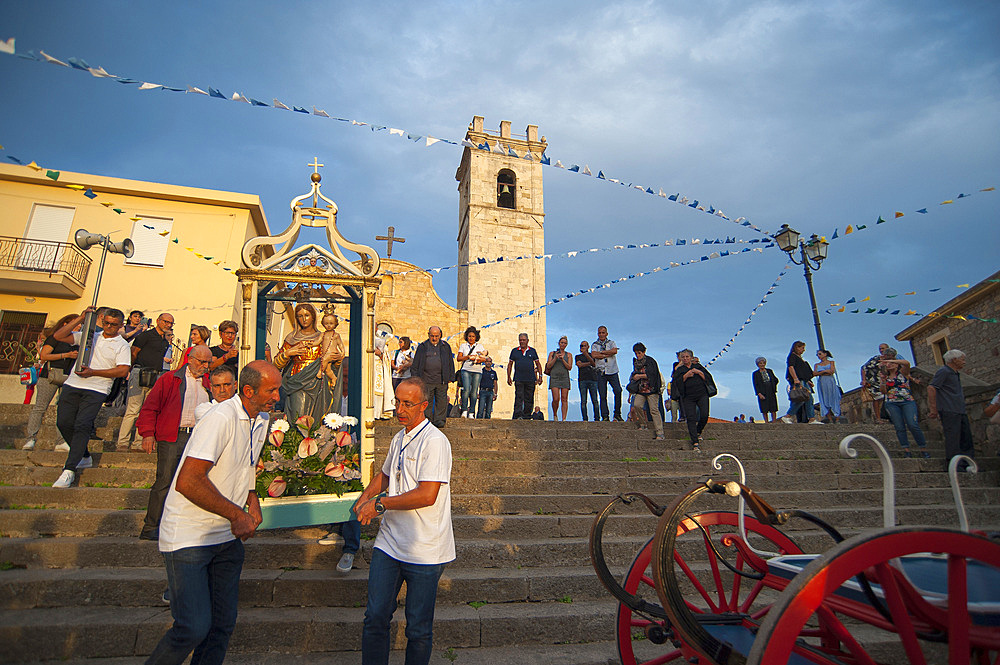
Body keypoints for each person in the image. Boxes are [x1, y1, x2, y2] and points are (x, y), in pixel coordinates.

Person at [144, 361, 278, 665]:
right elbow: (188, 481)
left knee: (221, 627)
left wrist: (252, 499)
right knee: (192, 627)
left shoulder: (260, 418)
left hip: (225, 540)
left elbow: (247, 463)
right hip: (190, 537)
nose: (277, 395)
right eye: (271, 390)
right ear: (248, 391)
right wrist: (237, 515)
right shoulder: (221, 418)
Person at [353, 377, 454, 665]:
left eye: (407, 404)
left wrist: (380, 504)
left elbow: (426, 495)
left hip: (425, 547)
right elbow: (385, 475)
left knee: (418, 628)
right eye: (397, 401)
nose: (399, 408)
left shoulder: (435, 442)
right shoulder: (399, 437)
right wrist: (363, 499)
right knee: (374, 617)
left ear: (423, 406)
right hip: (389, 542)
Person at [135, 345, 212, 541]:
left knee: (193, 483)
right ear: (191, 359)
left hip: (197, 438)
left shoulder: (209, 383)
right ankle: (151, 526)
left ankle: (183, 525)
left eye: (208, 363)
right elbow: (151, 407)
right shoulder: (170, 379)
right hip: (172, 437)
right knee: (164, 481)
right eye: (202, 362)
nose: (205, 366)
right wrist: (147, 434)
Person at [51, 308, 131, 488]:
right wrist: (81, 317)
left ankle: (69, 469)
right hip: (73, 383)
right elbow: (59, 336)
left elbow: (123, 370)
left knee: (82, 424)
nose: (109, 327)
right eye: (106, 323)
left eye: (113, 325)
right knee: (63, 422)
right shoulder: (90, 335)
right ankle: (84, 455)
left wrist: (93, 372)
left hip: (97, 388)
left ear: (120, 326)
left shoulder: (122, 345)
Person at [117, 312, 175, 451]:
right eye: (165, 321)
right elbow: (134, 352)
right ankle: (122, 442)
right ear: (158, 321)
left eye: (170, 323)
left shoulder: (164, 341)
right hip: (140, 372)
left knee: (146, 411)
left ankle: (137, 442)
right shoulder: (145, 336)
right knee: (132, 410)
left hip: (155, 376)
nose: (167, 325)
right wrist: (129, 371)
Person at [23, 314, 78, 451]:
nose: (78, 326)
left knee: (63, 410)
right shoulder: (55, 338)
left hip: (68, 376)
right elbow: (44, 356)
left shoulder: (78, 339)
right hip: (50, 375)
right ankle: (31, 438)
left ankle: (61, 441)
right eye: (75, 323)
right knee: (40, 407)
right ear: (65, 324)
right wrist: (66, 355)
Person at [273, 303, 331, 426]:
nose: (304, 319)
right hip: (297, 381)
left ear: (313, 317)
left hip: (316, 381)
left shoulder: (322, 337)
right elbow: (276, 365)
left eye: (307, 315)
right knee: (297, 415)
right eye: (300, 316)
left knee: (316, 418)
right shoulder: (292, 338)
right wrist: (288, 353)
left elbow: (330, 357)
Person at [928, 349, 975, 468]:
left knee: (966, 438)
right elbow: (932, 388)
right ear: (954, 360)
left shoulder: (954, 373)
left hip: (959, 409)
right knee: (953, 438)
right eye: (962, 359)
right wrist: (934, 409)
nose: (964, 362)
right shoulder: (944, 371)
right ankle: (954, 465)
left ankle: (968, 463)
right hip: (949, 409)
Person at [878, 348, 929, 458]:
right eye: (888, 364)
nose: (890, 365)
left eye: (892, 363)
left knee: (913, 424)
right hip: (891, 402)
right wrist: (882, 381)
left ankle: (923, 447)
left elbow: (906, 363)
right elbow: (883, 391)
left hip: (907, 401)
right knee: (899, 426)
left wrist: (891, 361)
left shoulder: (903, 373)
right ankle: (906, 449)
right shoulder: (885, 376)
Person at [410, 326, 456, 428]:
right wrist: (415, 378)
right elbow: (416, 364)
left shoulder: (445, 346)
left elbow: (450, 362)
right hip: (426, 380)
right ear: (428, 335)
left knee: (441, 402)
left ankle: (439, 421)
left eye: (436, 336)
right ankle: (427, 421)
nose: (434, 338)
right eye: (432, 336)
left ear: (440, 335)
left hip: (442, 380)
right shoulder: (423, 346)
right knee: (427, 402)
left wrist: (451, 376)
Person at [670, 349, 714, 452]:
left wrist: (698, 372)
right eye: (683, 357)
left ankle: (698, 431)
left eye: (687, 357)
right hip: (688, 397)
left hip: (702, 394)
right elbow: (676, 383)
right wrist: (686, 375)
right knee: (691, 418)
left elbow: (708, 378)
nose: (685, 359)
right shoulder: (679, 370)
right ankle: (695, 442)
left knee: (704, 415)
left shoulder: (698, 366)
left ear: (691, 357)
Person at [628, 342, 664, 440]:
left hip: (652, 389)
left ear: (644, 352)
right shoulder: (636, 363)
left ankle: (659, 432)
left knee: (654, 410)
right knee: (637, 405)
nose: (638, 355)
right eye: (636, 353)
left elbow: (652, 375)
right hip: (641, 389)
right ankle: (643, 424)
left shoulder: (650, 361)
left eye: (639, 353)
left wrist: (639, 376)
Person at [780, 341, 821, 424]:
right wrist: (795, 379)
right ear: (797, 347)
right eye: (802, 348)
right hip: (799, 381)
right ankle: (788, 415)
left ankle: (811, 418)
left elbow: (803, 372)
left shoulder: (801, 359)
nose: (803, 350)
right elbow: (791, 367)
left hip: (804, 380)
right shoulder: (792, 356)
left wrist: (808, 381)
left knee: (809, 399)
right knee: (801, 399)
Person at [506, 333, 543, 420]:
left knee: (529, 397)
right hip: (519, 378)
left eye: (523, 340)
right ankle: (518, 415)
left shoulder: (532, 351)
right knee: (519, 397)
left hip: (530, 379)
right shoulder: (514, 351)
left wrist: (540, 376)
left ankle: (527, 415)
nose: (522, 342)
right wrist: (508, 376)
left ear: (527, 341)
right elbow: (510, 364)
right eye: (520, 340)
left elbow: (538, 364)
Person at [591, 326, 623, 421]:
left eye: (603, 332)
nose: (601, 334)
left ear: (606, 333)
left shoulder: (611, 342)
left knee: (618, 390)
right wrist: (607, 354)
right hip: (601, 371)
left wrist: (602, 353)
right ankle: (605, 415)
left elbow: (614, 351)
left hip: (612, 370)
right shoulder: (595, 344)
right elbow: (594, 355)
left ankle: (617, 413)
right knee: (602, 394)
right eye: (600, 333)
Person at [456, 326, 487, 419]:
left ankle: (472, 412)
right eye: (469, 336)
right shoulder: (463, 346)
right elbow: (459, 358)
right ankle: (464, 410)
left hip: (477, 371)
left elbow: (484, 358)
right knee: (466, 390)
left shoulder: (480, 346)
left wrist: (477, 359)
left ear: (476, 337)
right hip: (466, 370)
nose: (471, 338)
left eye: (473, 336)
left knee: (474, 392)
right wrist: (468, 357)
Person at [861, 343, 890, 424]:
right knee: (877, 399)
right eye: (880, 348)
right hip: (875, 382)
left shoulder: (891, 359)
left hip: (887, 381)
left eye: (883, 348)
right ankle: (878, 418)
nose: (881, 350)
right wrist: (863, 380)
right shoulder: (875, 359)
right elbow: (863, 368)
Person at [545, 336, 572, 422]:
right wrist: (555, 358)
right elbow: (548, 365)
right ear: (559, 343)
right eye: (561, 343)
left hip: (564, 377)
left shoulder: (569, 355)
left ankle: (564, 418)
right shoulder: (552, 353)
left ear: (566, 345)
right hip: (554, 377)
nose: (563, 344)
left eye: (564, 343)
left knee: (564, 398)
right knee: (556, 398)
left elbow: (569, 367)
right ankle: (555, 414)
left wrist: (563, 360)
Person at [813, 349, 842, 423]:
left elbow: (831, 371)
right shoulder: (817, 365)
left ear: (825, 354)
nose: (818, 356)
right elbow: (814, 373)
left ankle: (837, 418)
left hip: (830, 382)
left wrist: (821, 372)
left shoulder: (831, 362)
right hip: (822, 383)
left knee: (834, 399)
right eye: (818, 355)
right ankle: (830, 419)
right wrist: (825, 371)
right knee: (824, 400)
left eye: (820, 354)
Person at [575, 341, 600, 422]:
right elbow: (579, 365)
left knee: (595, 400)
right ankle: (585, 419)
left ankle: (597, 419)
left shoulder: (592, 355)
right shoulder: (577, 356)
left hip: (593, 379)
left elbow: (594, 363)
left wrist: (587, 357)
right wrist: (589, 363)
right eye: (581, 345)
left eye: (584, 345)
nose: (583, 347)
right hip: (582, 380)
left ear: (588, 346)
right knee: (583, 401)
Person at [373, 331, 395, 419]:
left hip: (377, 367)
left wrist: (380, 353)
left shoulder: (380, 342)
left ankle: (377, 413)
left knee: (378, 389)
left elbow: (385, 357)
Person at [751, 357, 779, 423]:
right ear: (758, 364)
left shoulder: (769, 371)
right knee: (764, 408)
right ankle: (766, 422)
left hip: (771, 391)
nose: (762, 364)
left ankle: (774, 421)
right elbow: (755, 384)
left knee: (773, 407)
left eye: (763, 363)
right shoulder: (755, 373)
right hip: (762, 392)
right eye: (760, 363)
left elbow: (775, 379)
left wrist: (773, 386)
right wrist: (759, 393)